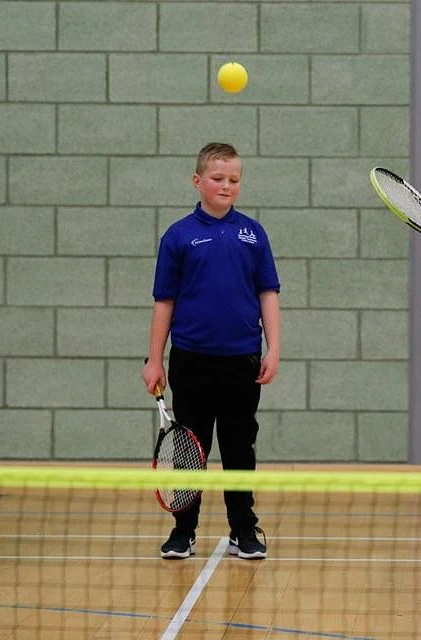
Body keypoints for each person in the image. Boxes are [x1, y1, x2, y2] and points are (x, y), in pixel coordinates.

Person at [142, 142, 280, 561]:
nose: (226, 186)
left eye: (234, 180)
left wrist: (274, 348)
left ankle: (244, 529)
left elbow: (267, 293)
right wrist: (154, 359)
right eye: (218, 178)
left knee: (240, 448)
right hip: (191, 360)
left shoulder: (253, 234)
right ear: (198, 180)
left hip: (242, 360)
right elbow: (164, 301)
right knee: (191, 449)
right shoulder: (179, 235)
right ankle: (183, 531)